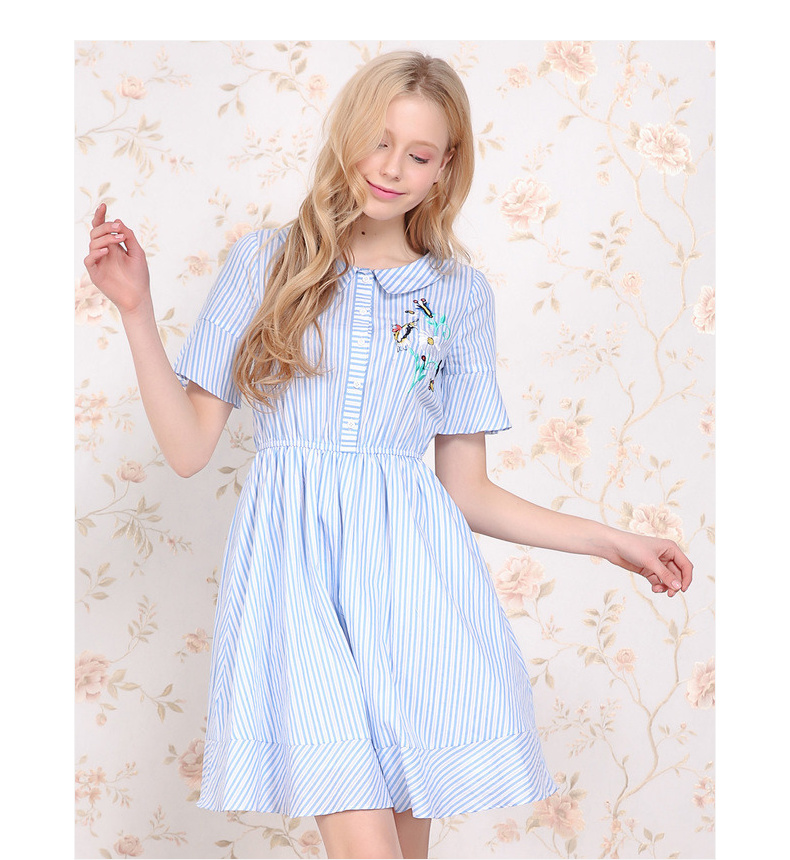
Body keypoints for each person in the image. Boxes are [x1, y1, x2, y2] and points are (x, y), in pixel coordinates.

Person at [84, 50, 693, 860]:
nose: (392, 168)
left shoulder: (458, 295)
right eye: (379, 141)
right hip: (294, 581)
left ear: (445, 168)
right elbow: (190, 446)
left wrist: (613, 542)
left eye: (419, 153)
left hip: (415, 593)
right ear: (346, 136)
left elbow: (467, 492)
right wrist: (135, 310)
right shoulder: (265, 263)